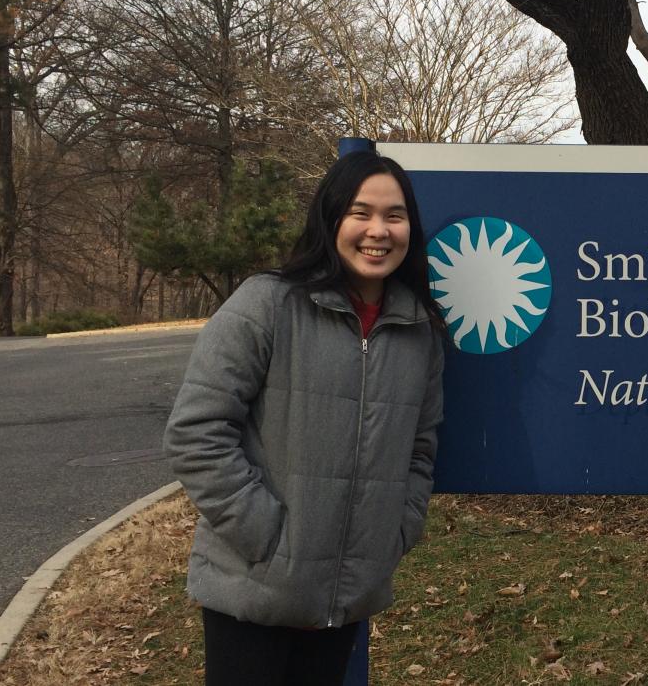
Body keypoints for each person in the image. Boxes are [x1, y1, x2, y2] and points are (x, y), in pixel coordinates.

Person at [163, 151, 447, 685]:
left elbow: (420, 449)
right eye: (360, 213)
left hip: (346, 594)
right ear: (331, 219)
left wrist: (395, 532)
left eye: (395, 215)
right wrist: (266, 536)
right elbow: (195, 432)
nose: (378, 231)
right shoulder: (268, 304)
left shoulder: (420, 331)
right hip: (252, 588)